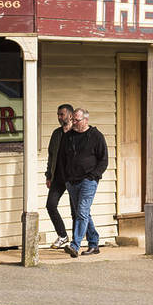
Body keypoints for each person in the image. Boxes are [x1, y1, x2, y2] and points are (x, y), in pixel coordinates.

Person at [63, 108, 108, 258]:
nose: (74, 123)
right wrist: (66, 178)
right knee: (83, 213)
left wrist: (93, 176)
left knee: (82, 212)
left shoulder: (96, 136)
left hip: (88, 181)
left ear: (86, 120)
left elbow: (104, 160)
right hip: (72, 181)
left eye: (77, 120)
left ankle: (74, 246)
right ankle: (94, 243)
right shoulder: (68, 136)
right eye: (73, 120)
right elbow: (62, 158)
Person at [45, 103, 74, 248]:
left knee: (76, 211)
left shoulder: (77, 133)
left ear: (70, 115)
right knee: (51, 205)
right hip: (58, 177)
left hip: (73, 178)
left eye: (62, 114)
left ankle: (77, 242)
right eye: (58, 114)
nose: (59, 117)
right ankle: (62, 235)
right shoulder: (56, 134)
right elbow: (51, 155)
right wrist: (48, 175)